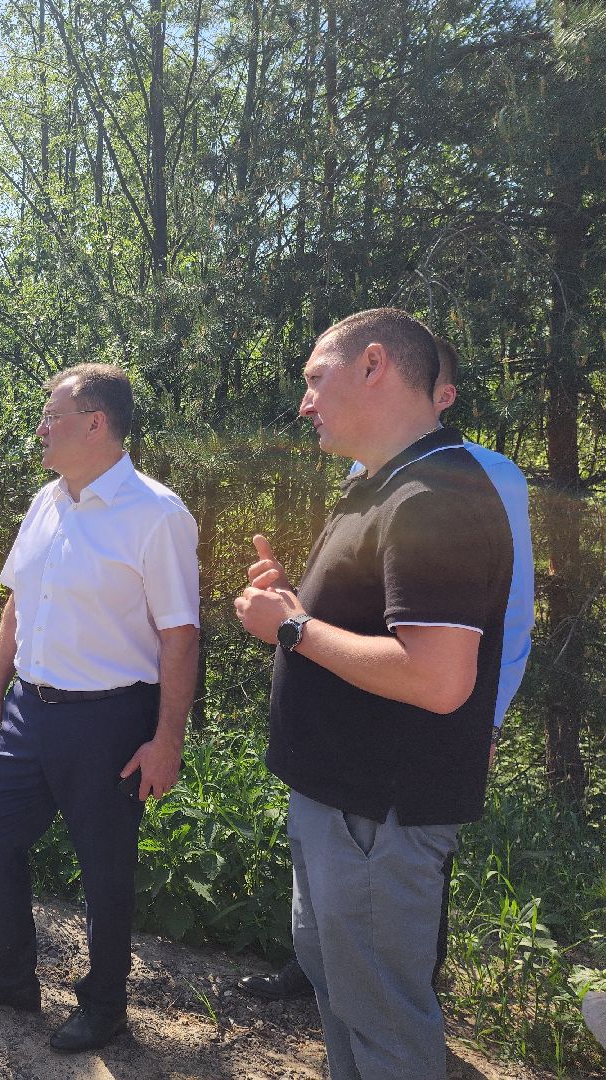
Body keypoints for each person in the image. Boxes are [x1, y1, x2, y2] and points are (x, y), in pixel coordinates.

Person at [234, 309, 514, 1078]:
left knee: (385, 1022)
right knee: (347, 1000)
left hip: (376, 818)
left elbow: (437, 677)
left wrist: (291, 627)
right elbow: (372, 637)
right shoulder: (384, 486)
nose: (304, 403)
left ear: (375, 366)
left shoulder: (435, 495)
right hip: (341, 806)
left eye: (314, 379)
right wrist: (297, 603)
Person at [0, 364, 200, 1053]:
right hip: (30, 708)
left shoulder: (157, 514)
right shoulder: (46, 500)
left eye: (52, 416)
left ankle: (106, 1004)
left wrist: (167, 739)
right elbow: (18, 600)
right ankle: (13, 976)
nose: (41, 428)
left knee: (105, 867)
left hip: (110, 720)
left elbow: (179, 634)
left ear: (96, 423)